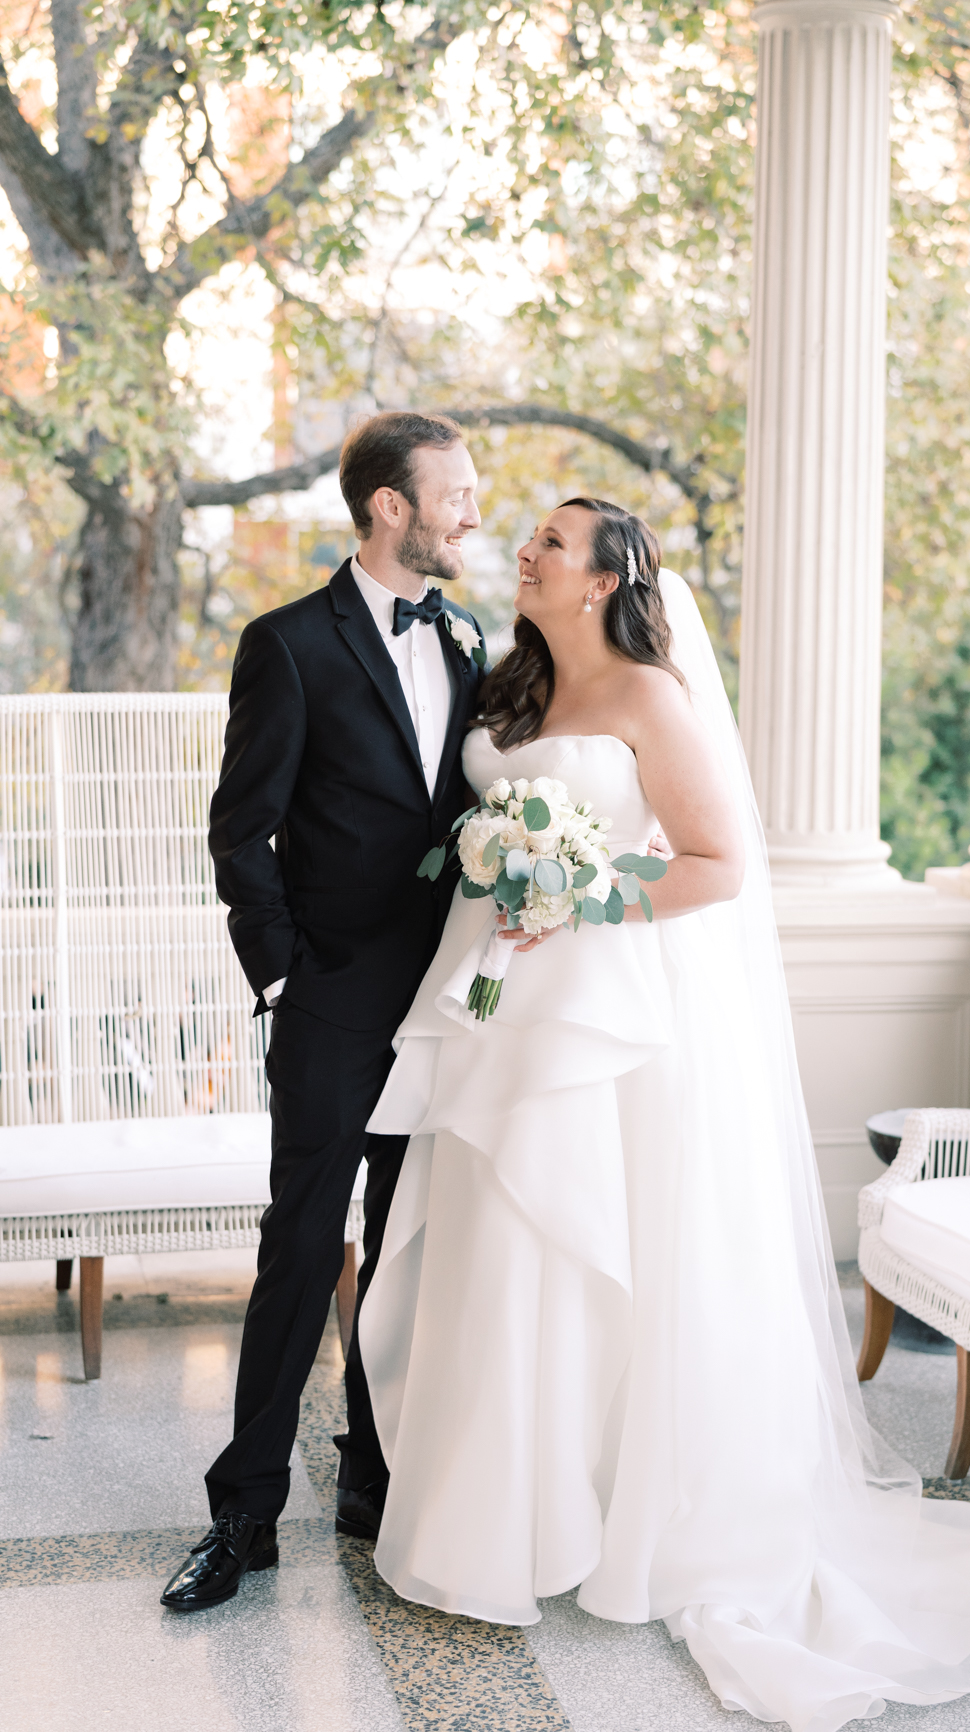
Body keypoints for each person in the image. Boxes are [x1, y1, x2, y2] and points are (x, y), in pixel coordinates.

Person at [354, 498, 970, 1732]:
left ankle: (618, 1514)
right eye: (528, 536)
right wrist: (504, 866)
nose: (525, 550)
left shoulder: (651, 699)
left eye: (551, 543)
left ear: (601, 582)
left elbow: (717, 863)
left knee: (584, 1240)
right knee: (497, 1243)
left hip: (598, 1011)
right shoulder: (508, 691)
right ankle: (504, 1520)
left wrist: (579, 894)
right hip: (491, 1000)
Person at [161, 410, 487, 1611]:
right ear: (390, 505)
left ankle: (374, 1476)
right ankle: (243, 1514)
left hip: (446, 1000)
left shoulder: (463, 634)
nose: (471, 511)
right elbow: (238, 828)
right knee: (301, 1244)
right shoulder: (287, 643)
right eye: (454, 491)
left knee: (407, 1250)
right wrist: (289, 978)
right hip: (331, 999)